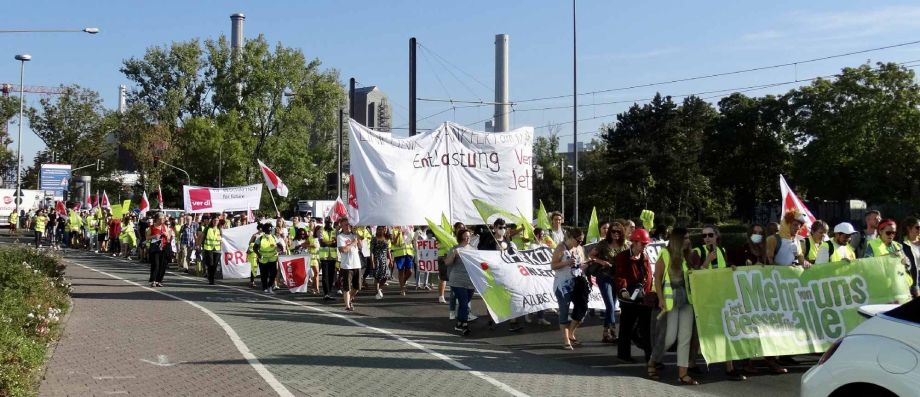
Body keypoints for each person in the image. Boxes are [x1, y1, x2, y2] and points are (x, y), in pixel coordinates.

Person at [650, 227, 701, 385]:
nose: (688, 240)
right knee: (670, 337)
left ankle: (683, 374)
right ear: (677, 240)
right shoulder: (665, 254)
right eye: (685, 238)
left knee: (685, 337)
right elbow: (657, 278)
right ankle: (653, 361)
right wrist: (660, 298)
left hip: (686, 300)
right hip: (670, 302)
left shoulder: (688, 255)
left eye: (688, 238)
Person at [614, 229, 653, 363]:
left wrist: (649, 294)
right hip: (628, 299)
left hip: (644, 298)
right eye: (642, 244)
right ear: (634, 242)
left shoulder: (645, 257)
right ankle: (623, 354)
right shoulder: (622, 257)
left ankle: (651, 357)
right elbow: (620, 275)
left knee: (646, 329)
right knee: (627, 327)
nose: (644, 246)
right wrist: (623, 289)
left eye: (645, 244)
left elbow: (649, 276)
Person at [479, 218, 522, 331]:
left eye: (504, 227)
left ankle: (513, 321)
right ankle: (491, 319)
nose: (503, 230)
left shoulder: (507, 239)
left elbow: (510, 254)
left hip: (506, 272)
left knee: (511, 295)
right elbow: (480, 252)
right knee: (493, 296)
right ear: (495, 227)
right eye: (500, 227)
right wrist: (494, 249)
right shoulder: (488, 239)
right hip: (492, 272)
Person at [588, 222, 628, 343]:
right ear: (609, 232)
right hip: (604, 276)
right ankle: (613, 331)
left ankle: (605, 334)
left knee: (612, 306)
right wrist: (601, 262)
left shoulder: (624, 246)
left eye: (618, 232)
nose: (616, 234)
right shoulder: (603, 244)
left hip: (617, 278)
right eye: (613, 231)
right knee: (610, 305)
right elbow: (590, 255)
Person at [551, 228, 589, 350]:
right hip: (562, 285)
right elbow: (553, 265)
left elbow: (581, 266)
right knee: (564, 310)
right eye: (578, 241)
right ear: (571, 238)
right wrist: (566, 262)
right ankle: (566, 340)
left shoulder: (579, 249)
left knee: (582, 308)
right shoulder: (561, 247)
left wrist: (587, 264)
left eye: (582, 241)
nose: (580, 243)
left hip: (576, 283)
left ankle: (571, 333)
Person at [445, 227, 475, 335]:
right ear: (460, 237)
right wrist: (454, 255)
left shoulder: (474, 250)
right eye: (465, 236)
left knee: (465, 303)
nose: (467, 238)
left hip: (470, 280)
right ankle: (465, 325)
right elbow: (447, 263)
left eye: (469, 236)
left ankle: (459, 324)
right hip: (457, 280)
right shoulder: (455, 249)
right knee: (463, 303)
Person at [337, 220, 362, 312]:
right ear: (342, 226)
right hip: (347, 265)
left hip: (356, 264)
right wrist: (352, 243)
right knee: (347, 287)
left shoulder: (354, 235)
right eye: (345, 225)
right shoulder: (340, 237)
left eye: (349, 224)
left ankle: (349, 299)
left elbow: (360, 246)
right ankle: (347, 306)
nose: (348, 226)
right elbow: (343, 250)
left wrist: (357, 236)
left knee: (357, 287)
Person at [252, 222, 282, 294]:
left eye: (271, 230)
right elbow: (254, 248)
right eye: (268, 230)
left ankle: (269, 286)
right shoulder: (260, 238)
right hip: (263, 259)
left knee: (274, 273)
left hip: (272, 258)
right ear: (264, 230)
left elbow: (280, 246)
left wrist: (278, 248)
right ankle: (265, 287)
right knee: (264, 274)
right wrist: (259, 255)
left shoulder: (274, 237)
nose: (270, 231)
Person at [147, 214, 172, 287]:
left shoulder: (165, 227)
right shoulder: (151, 227)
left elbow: (169, 237)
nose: (163, 220)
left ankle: (159, 280)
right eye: (161, 219)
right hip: (155, 248)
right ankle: (153, 280)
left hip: (164, 247)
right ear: (157, 219)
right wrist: (154, 236)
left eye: (163, 219)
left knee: (163, 265)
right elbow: (147, 237)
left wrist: (166, 234)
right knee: (156, 264)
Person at [897, 217, 920, 298]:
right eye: (917, 227)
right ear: (909, 229)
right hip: (913, 281)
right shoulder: (901, 245)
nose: (919, 229)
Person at [390, 225, 415, 296]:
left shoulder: (410, 228)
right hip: (400, 254)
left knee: (410, 271)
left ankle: (403, 282)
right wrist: (399, 233)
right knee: (401, 271)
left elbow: (412, 241)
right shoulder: (395, 229)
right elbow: (393, 242)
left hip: (409, 253)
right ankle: (402, 289)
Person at [370, 226, 392, 299]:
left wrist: (391, 260)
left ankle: (379, 288)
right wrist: (372, 261)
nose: (380, 231)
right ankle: (377, 292)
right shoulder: (374, 239)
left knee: (386, 276)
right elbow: (371, 251)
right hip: (377, 259)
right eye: (379, 230)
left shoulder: (386, 239)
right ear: (376, 230)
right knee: (377, 276)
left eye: (382, 230)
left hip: (384, 259)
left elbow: (388, 250)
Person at [318, 219, 338, 300]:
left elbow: (336, 243)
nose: (329, 224)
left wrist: (328, 242)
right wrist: (331, 242)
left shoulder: (335, 231)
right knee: (325, 275)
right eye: (327, 223)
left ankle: (329, 293)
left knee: (331, 275)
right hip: (324, 256)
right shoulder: (321, 230)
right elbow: (322, 243)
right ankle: (326, 293)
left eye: (330, 223)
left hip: (332, 256)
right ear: (325, 223)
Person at [200, 216, 222, 285]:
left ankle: (211, 276)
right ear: (212, 221)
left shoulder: (219, 229)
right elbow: (201, 237)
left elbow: (222, 238)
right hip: (208, 248)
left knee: (215, 265)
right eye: (214, 220)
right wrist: (198, 245)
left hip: (217, 249)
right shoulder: (207, 228)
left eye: (217, 220)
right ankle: (211, 279)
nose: (216, 222)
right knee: (210, 264)